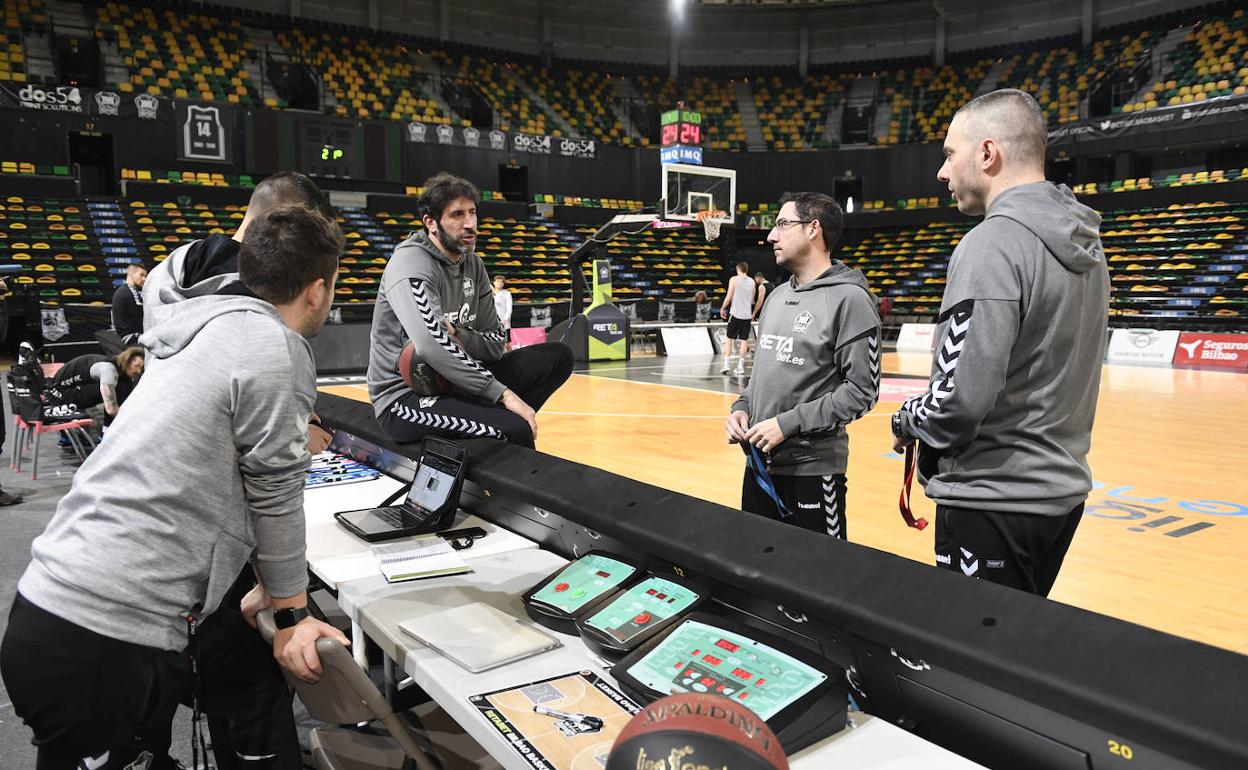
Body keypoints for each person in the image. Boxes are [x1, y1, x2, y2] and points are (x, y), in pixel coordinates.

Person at [0, 205, 348, 770]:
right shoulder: (274, 346)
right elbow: (274, 493)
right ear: (317, 290)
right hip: (103, 638)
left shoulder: (197, 329)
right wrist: (290, 613)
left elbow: (210, 469)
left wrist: (265, 579)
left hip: (54, 611)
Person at [889, 89, 1109, 596]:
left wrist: (906, 420)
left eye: (949, 154)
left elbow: (958, 401)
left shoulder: (991, 244)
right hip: (1058, 495)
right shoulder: (1087, 244)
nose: (942, 172)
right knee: (1010, 656)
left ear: (988, 154)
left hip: (992, 499)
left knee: (967, 666)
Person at [368, 172, 573, 450]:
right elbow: (431, 345)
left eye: (472, 213)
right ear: (431, 222)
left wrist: (460, 335)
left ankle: (491, 419)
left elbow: (496, 344)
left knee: (558, 357)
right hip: (406, 398)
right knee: (514, 430)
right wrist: (503, 395)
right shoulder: (410, 265)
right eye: (457, 215)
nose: (470, 224)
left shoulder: (473, 265)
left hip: (461, 380)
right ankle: (500, 432)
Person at [144, 170, 338, 455]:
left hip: (152, 437)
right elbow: (262, 450)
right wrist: (293, 433)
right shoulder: (263, 292)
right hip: (205, 462)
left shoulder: (170, 267)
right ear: (287, 221)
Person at [725, 193, 880, 540]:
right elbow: (762, 376)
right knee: (754, 571)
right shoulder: (777, 297)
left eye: (782, 224)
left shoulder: (850, 300)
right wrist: (742, 407)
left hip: (813, 472)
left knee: (819, 580)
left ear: (813, 229)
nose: (771, 236)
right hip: (759, 467)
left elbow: (863, 393)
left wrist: (788, 424)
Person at [43, 346, 145, 424]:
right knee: (117, 387)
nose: (139, 371)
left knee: (123, 384)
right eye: (137, 366)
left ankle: (107, 429)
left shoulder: (119, 369)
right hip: (59, 395)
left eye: (142, 368)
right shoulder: (108, 370)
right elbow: (111, 410)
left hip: (68, 389)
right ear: (127, 361)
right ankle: (107, 432)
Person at [719, 262, 762, 376]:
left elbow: (728, 297)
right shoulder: (752, 281)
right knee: (744, 340)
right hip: (747, 316)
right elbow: (752, 300)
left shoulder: (733, 279)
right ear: (746, 270)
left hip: (736, 313)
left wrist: (723, 308)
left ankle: (726, 365)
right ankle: (740, 367)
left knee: (729, 339)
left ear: (738, 269)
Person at [111, 263, 147, 345]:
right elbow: (140, 318)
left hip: (132, 336)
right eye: (141, 275)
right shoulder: (128, 292)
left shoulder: (131, 291)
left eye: (145, 276)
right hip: (129, 338)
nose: (144, 279)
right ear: (131, 274)